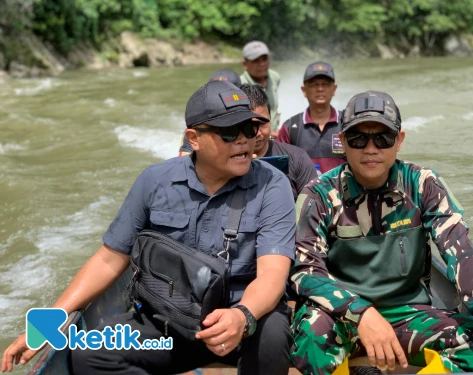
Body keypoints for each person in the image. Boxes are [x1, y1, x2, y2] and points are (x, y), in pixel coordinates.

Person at [1, 81, 296, 375]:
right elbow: (109, 259)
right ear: (193, 139)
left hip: (244, 321)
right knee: (89, 355)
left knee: (273, 335)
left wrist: (242, 316)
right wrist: (46, 323)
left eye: (249, 129)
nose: (244, 140)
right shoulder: (155, 181)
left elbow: (273, 274)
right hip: (171, 322)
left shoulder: (272, 184)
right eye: (230, 133)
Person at [289, 91, 473, 375]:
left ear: (399, 140)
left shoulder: (423, 184)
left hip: (406, 313)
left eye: (383, 138)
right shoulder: (319, 194)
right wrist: (360, 313)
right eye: (358, 138)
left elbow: (460, 252)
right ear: (343, 143)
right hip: (342, 316)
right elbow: (305, 271)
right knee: (311, 336)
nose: (371, 148)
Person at [242, 84, 317, 200]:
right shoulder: (225, 163)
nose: (257, 133)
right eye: (249, 125)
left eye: (262, 124)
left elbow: (312, 207)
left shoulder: (298, 158)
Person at [276, 61, 346, 173]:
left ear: (334, 89)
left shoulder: (347, 123)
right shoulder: (290, 128)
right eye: (314, 85)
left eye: (326, 84)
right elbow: (279, 171)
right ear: (304, 90)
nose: (320, 89)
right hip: (302, 190)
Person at [179, 69, 243, 156]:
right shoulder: (197, 129)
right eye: (216, 94)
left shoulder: (257, 121)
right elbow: (184, 160)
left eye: (226, 94)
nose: (221, 100)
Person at [240, 41, 281, 131]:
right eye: (256, 60)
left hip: (274, 134)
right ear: (245, 64)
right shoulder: (240, 86)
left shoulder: (274, 77)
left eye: (264, 59)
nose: (261, 64)